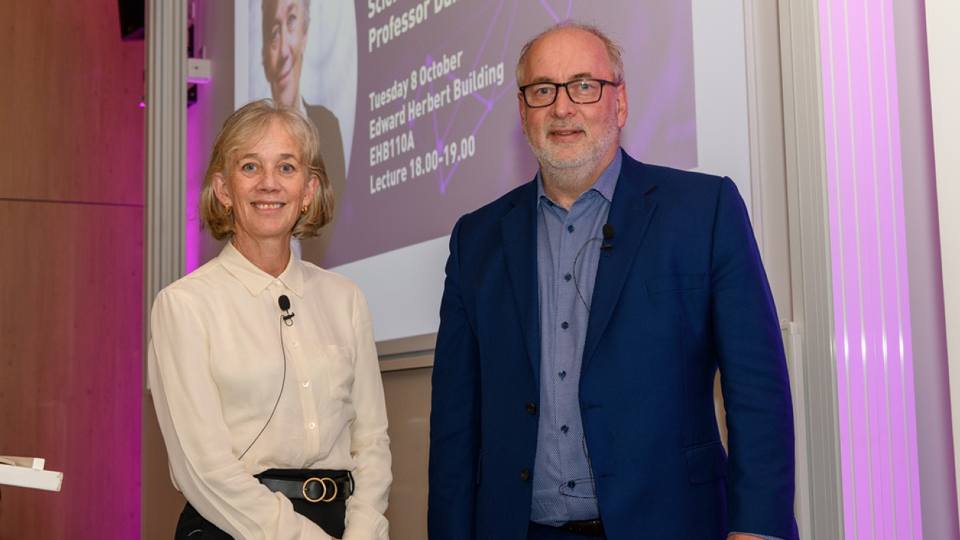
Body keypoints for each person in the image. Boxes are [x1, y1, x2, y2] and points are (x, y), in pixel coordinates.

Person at [428, 22, 797, 540]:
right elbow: (453, 428)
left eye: (584, 85)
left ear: (619, 103)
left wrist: (759, 527)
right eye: (542, 90)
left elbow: (757, 391)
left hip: (673, 524)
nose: (562, 107)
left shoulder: (703, 211)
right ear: (522, 112)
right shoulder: (476, 240)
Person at [149, 99, 390, 539]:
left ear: (308, 190)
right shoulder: (183, 306)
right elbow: (204, 470)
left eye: (286, 168)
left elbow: (372, 441)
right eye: (249, 168)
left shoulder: (346, 299)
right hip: (231, 527)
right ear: (223, 189)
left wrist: (363, 531)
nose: (268, 185)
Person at [261, 0, 346, 263]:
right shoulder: (249, 138)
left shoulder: (328, 126)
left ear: (306, 34)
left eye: (292, 21)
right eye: (274, 33)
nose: (285, 49)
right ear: (264, 55)